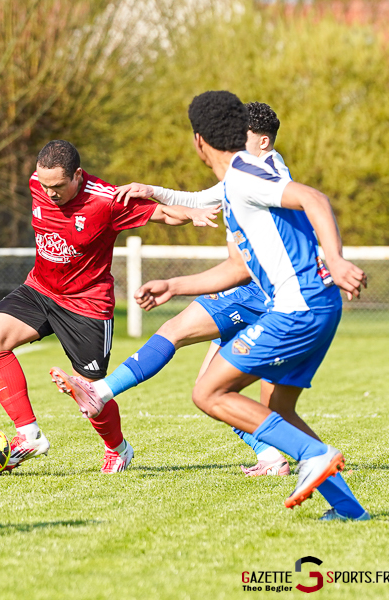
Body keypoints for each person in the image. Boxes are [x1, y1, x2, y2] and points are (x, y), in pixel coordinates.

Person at [70, 91, 369, 520]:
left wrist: (336, 258)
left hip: (297, 307)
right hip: (317, 304)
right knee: (278, 410)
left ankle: (314, 455)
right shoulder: (236, 181)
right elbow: (236, 266)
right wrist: (175, 285)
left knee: (209, 391)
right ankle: (348, 509)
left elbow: (314, 198)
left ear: (199, 141)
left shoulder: (245, 176)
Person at [71, 102, 293, 477]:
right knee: (210, 391)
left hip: (259, 291)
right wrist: (150, 190)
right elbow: (203, 198)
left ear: (264, 142)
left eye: (245, 138)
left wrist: (175, 284)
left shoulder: (263, 173)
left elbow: (213, 212)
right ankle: (273, 457)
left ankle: (101, 392)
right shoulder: (251, 171)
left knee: (174, 332)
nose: (234, 145)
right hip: (261, 290)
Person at [0, 139, 219, 473]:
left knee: (88, 395)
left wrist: (192, 214)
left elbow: (160, 213)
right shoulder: (38, 183)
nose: (50, 193)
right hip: (41, 289)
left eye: (58, 186)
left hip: (86, 305)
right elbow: (44, 187)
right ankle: (28, 435)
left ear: (77, 175)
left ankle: (117, 449)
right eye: (45, 185)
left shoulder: (107, 200)